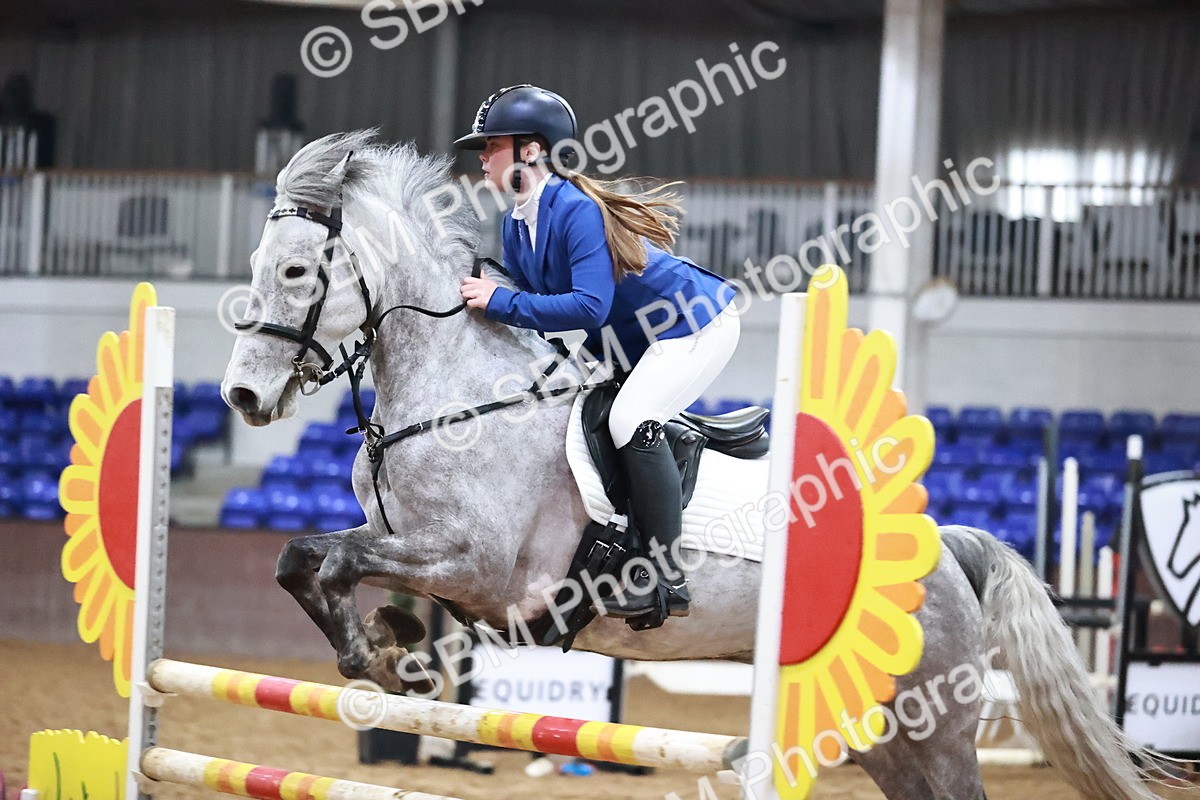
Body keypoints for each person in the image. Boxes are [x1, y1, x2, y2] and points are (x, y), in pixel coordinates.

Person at [455, 84, 739, 623]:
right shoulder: (516, 224)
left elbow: (587, 306)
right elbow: (536, 312)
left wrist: (500, 300)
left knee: (631, 418)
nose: (483, 159)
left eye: (491, 146)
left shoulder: (575, 209)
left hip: (695, 322)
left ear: (531, 151)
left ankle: (666, 579)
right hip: (635, 342)